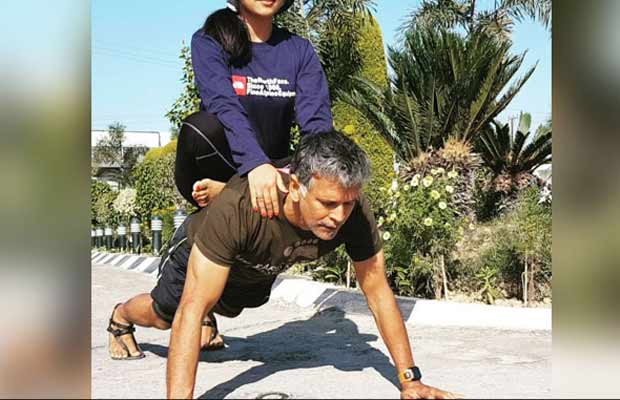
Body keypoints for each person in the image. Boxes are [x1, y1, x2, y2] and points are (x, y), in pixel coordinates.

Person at [106, 130, 459, 399]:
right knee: (165, 313)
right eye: (327, 203)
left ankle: (214, 314)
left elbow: (379, 292)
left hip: (253, 270)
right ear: (294, 186)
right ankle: (121, 316)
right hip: (200, 250)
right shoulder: (241, 208)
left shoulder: (351, 210)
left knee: (231, 306)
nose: (338, 217)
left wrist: (410, 380)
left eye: (348, 204)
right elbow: (191, 307)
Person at [175, 0, 333, 220]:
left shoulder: (299, 49)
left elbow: (317, 122)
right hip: (220, 162)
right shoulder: (208, 41)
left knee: (325, 157)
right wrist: (255, 165)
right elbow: (223, 105)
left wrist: (314, 172)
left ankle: (228, 193)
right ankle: (245, 189)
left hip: (278, 168)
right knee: (200, 126)